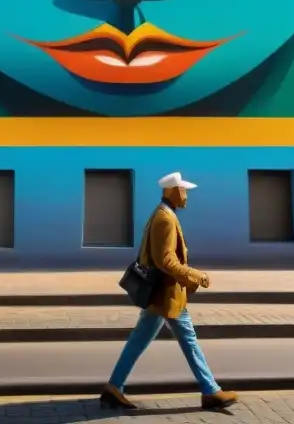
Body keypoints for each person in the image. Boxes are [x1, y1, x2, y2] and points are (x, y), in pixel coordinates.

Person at [100, 172, 237, 411]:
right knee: (188, 340)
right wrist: (197, 275)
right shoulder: (165, 218)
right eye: (183, 191)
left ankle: (114, 388)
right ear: (172, 191)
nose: (186, 196)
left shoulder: (162, 213)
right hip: (166, 294)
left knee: (141, 341)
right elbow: (166, 261)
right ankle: (210, 391)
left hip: (161, 296)